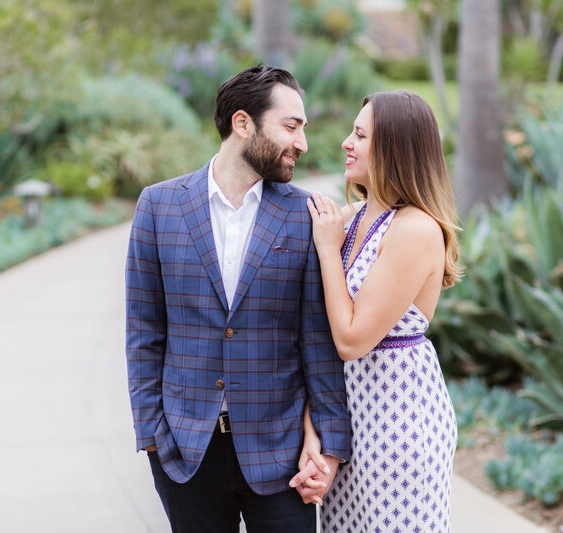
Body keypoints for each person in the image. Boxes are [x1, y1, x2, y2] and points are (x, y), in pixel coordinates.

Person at [124, 66, 352, 533]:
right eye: (291, 126)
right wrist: (151, 434)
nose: (303, 143)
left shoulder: (306, 215)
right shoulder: (157, 206)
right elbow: (144, 331)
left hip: (282, 455)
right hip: (185, 454)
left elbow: (318, 340)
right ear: (243, 123)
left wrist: (329, 445)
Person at [290, 90, 461, 532]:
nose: (346, 142)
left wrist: (327, 250)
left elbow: (350, 340)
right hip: (352, 419)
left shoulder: (416, 229)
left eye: (360, 135)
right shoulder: (359, 216)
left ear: (395, 148)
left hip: (398, 422)